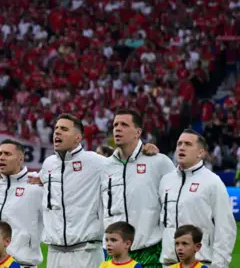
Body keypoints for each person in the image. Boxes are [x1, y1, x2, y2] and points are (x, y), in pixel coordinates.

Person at [101, 109, 175, 267]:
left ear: (138, 132)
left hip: (149, 252)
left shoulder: (159, 162)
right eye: (115, 125)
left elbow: (175, 205)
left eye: (124, 125)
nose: (117, 128)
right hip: (113, 255)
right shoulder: (104, 166)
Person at [159, 130, 236, 267]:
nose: (182, 147)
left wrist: (219, 265)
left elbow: (225, 227)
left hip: (200, 262)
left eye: (188, 144)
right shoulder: (166, 181)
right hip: (169, 263)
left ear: (201, 153)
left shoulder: (212, 182)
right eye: (179, 144)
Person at [39, 114, 107, 268]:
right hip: (54, 253)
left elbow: (124, 166)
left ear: (78, 138)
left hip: (86, 252)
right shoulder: (49, 164)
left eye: (64, 129)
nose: (57, 132)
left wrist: (145, 151)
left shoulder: (96, 162)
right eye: (56, 128)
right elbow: (34, 178)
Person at [0, 139, 43, 267]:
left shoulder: (35, 186)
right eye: (0, 154)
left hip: (22, 263)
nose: (1, 158)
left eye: (7, 154)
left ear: (21, 159)